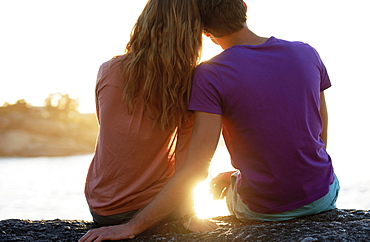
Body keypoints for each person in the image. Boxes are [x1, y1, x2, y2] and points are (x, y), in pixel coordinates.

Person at [79, 0, 340, 241]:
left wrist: (129, 227)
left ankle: (234, 178)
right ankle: (235, 178)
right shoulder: (307, 52)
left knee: (229, 182)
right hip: (321, 196)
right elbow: (320, 138)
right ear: (244, 7)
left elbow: (190, 165)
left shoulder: (205, 75)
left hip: (105, 209)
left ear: (205, 31)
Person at [79, 0, 218, 240]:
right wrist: (190, 214)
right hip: (148, 210)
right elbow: (190, 167)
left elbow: (113, 133)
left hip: (101, 208)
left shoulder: (108, 69)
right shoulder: (190, 83)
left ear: (144, 23)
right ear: (192, 35)